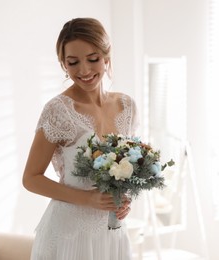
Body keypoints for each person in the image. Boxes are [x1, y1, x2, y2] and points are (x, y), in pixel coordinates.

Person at [22, 17, 138, 260]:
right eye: (72, 62)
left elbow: (127, 167)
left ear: (106, 56)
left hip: (111, 231)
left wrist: (124, 200)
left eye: (93, 59)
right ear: (63, 64)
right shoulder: (58, 110)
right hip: (69, 235)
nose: (84, 71)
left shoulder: (126, 106)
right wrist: (88, 199)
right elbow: (31, 178)